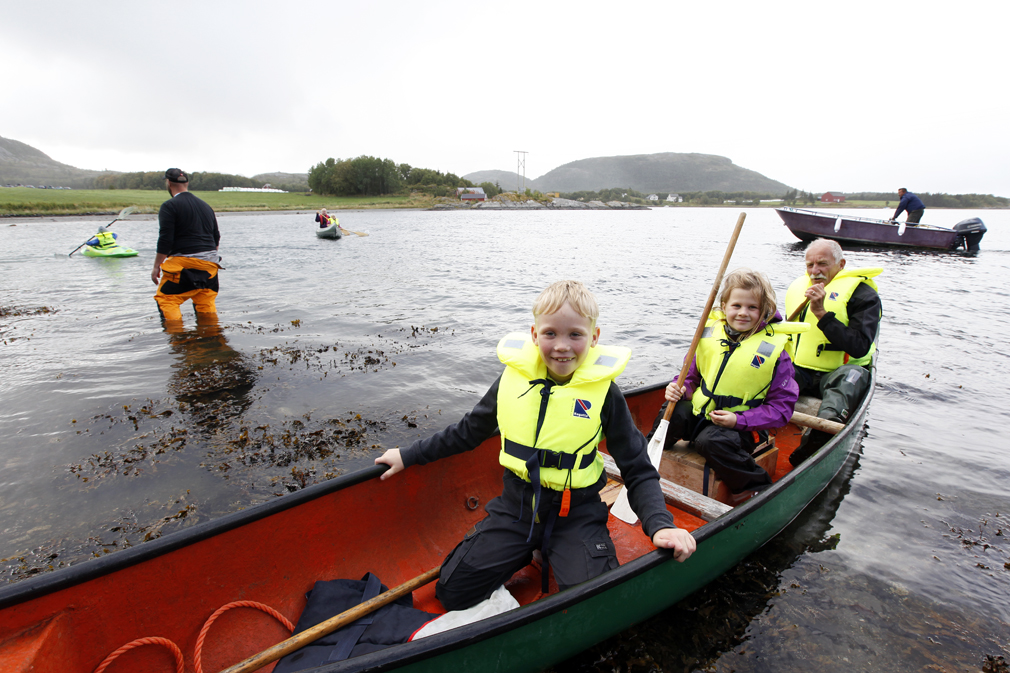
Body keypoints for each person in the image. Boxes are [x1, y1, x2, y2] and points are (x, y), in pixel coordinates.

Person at [374, 280, 696, 612]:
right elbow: (468, 431)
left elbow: (638, 469)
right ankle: (527, 547)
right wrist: (408, 455)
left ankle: (559, 549)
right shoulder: (511, 379)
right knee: (452, 592)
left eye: (575, 335)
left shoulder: (605, 394)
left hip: (576, 512)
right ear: (534, 333)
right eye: (550, 334)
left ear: (594, 337)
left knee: (594, 604)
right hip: (518, 507)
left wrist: (661, 525)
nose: (561, 346)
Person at [649, 269, 804, 503]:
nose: (743, 313)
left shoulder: (776, 353)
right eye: (737, 305)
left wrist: (738, 420)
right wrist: (678, 387)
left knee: (711, 441)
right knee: (672, 414)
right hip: (703, 415)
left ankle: (754, 486)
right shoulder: (709, 335)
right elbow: (689, 377)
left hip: (743, 428)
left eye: (752, 307)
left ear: (764, 310)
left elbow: (782, 409)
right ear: (723, 306)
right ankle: (645, 460)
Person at [784, 239, 881, 465]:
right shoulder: (799, 288)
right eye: (810, 265)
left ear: (841, 264)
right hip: (801, 369)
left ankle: (806, 458)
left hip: (841, 372)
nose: (815, 271)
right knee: (759, 381)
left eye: (822, 264)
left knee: (835, 407)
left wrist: (821, 313)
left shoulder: (863, 295)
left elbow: (859, 346)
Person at [152, 168, 222, 323]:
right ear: (187, 183)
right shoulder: (206, 207)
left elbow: (165, 239)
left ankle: (178, 340)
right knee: (205, 303)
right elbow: (216, 238)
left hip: (184, 265)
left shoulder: (169, 206)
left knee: (166, 300)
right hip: (210, 266)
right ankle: (212, 339)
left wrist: (157, 266)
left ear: (168, 183)